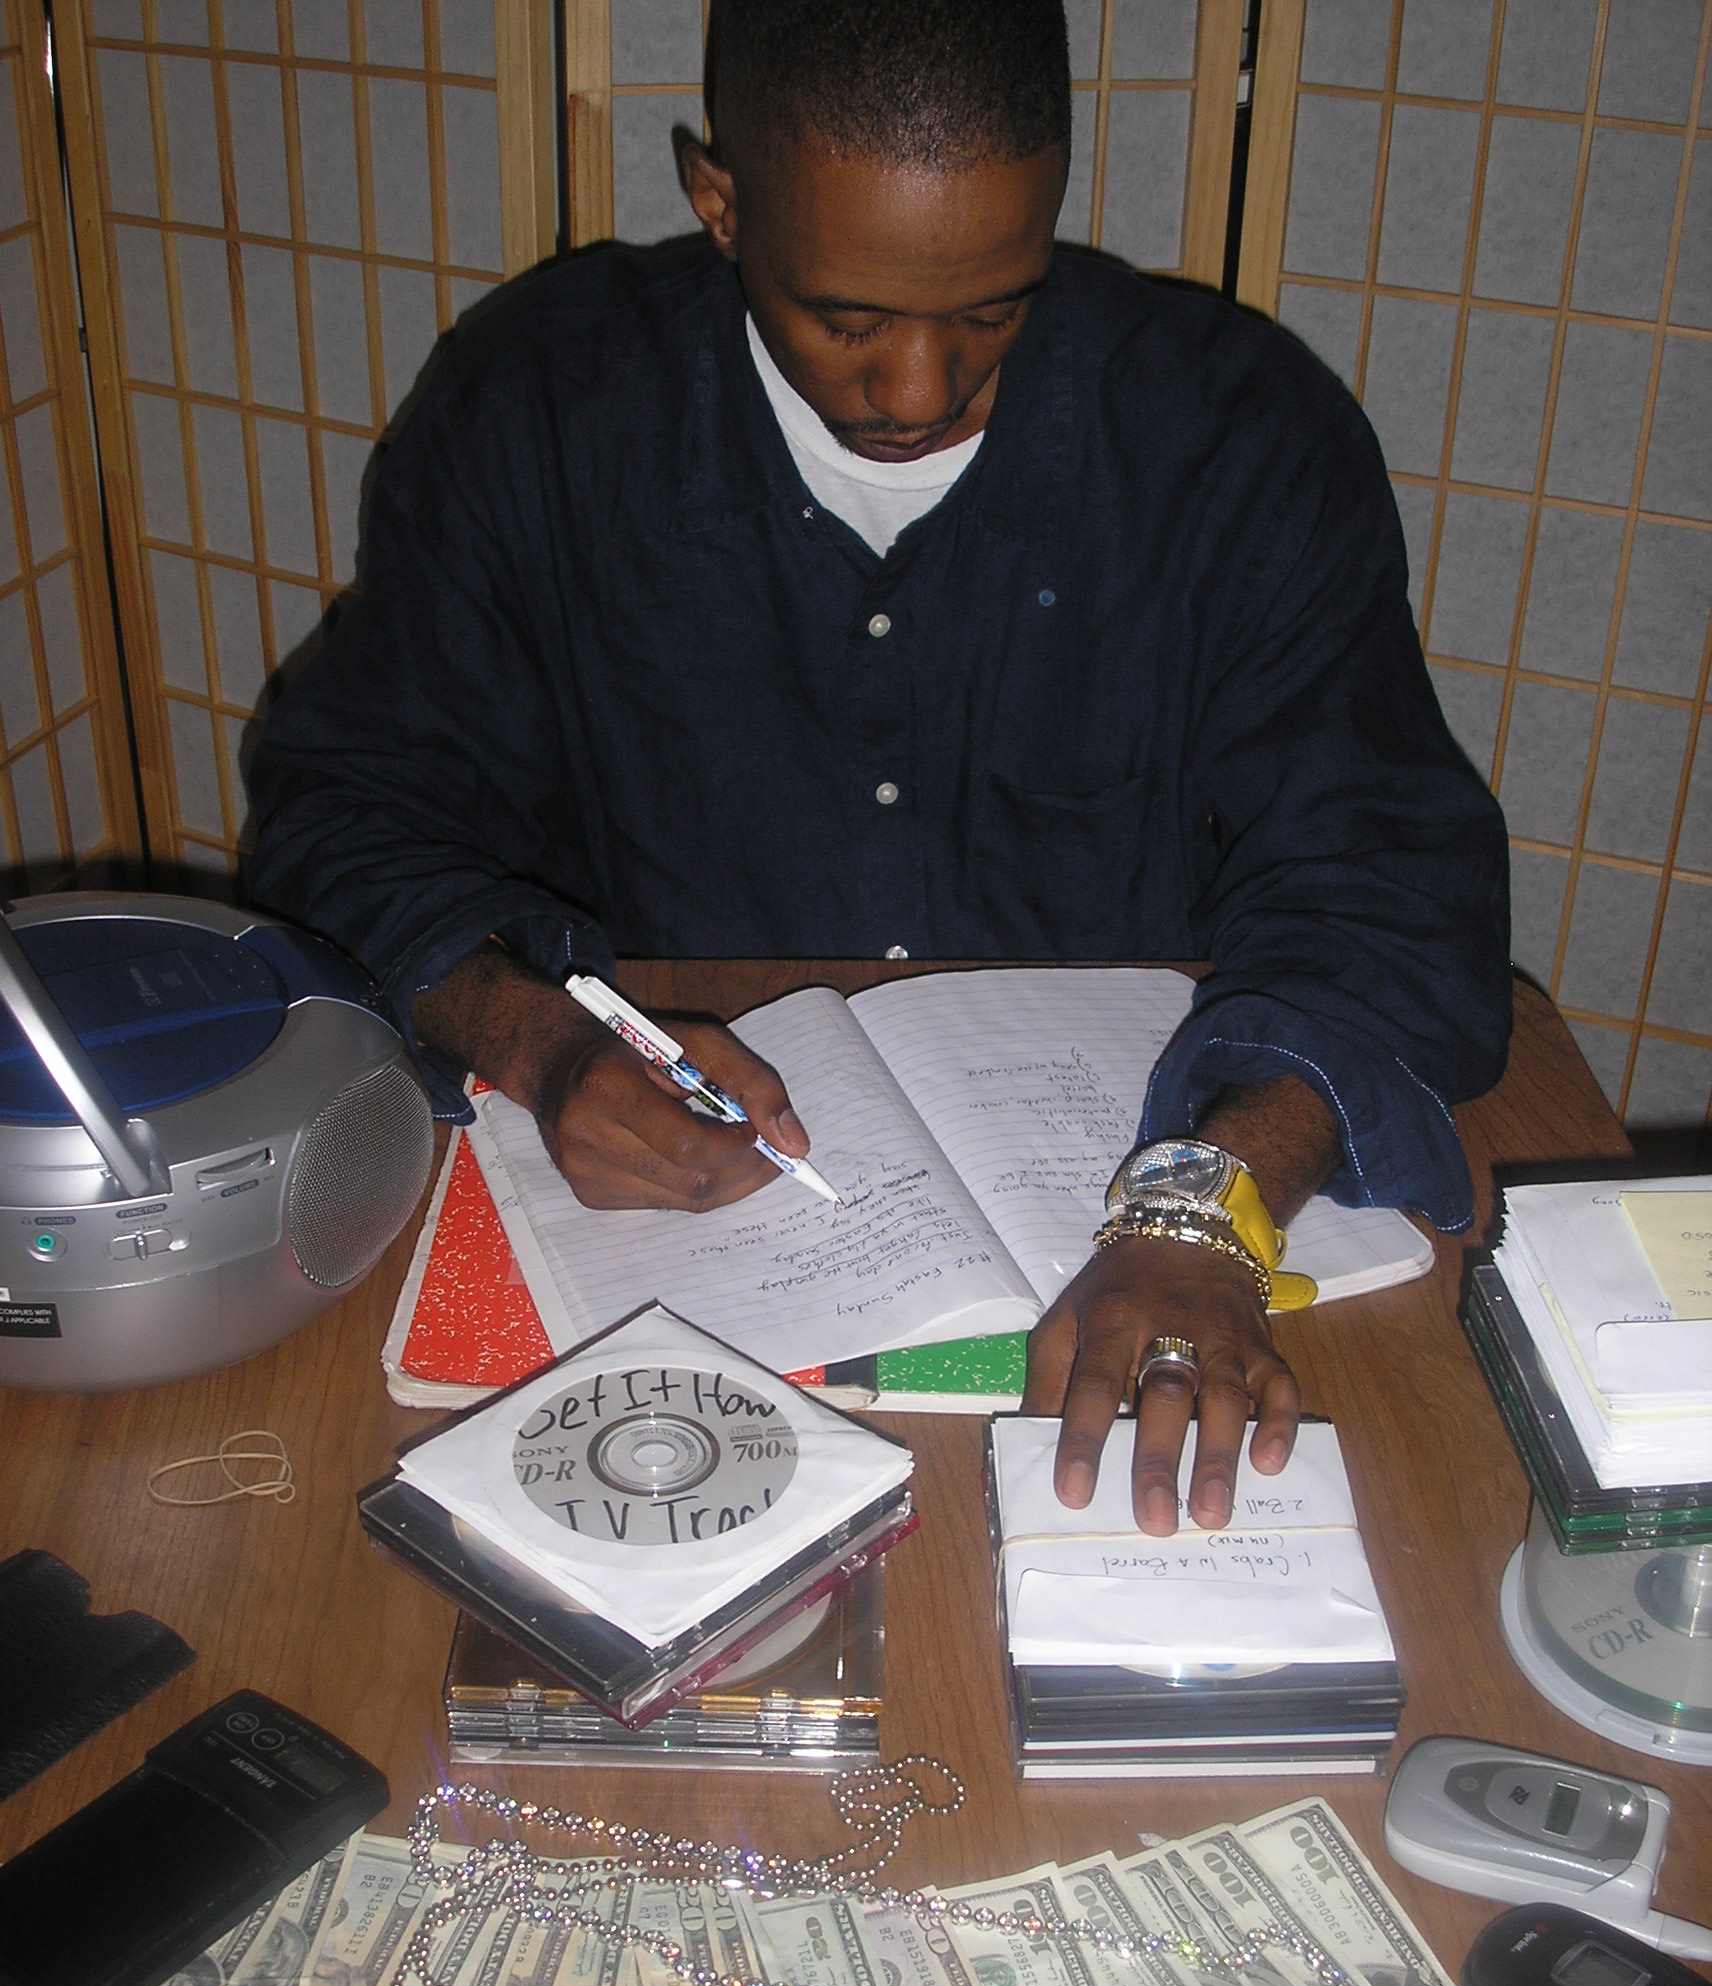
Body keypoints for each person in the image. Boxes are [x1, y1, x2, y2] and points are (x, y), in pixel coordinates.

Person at [247, 0, 1510, 1536]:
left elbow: (1387, 876)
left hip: (1149, 1263)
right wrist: (541, 1043)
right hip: (675, 1276)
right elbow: (347, 807)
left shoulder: (1232, 437)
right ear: (720, 201)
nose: (920, 389)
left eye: (994, 311)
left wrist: (1209, 1210)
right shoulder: (546, 410)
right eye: (847, 320)